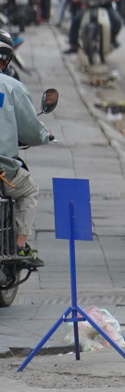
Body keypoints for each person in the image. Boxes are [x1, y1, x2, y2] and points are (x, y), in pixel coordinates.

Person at [0, 34, 52, 260]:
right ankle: (20, 245)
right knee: (29, 190)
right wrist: (45, 135)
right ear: (7, 60)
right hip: (4, 171)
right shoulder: (12, 87)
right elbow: (31, 130)